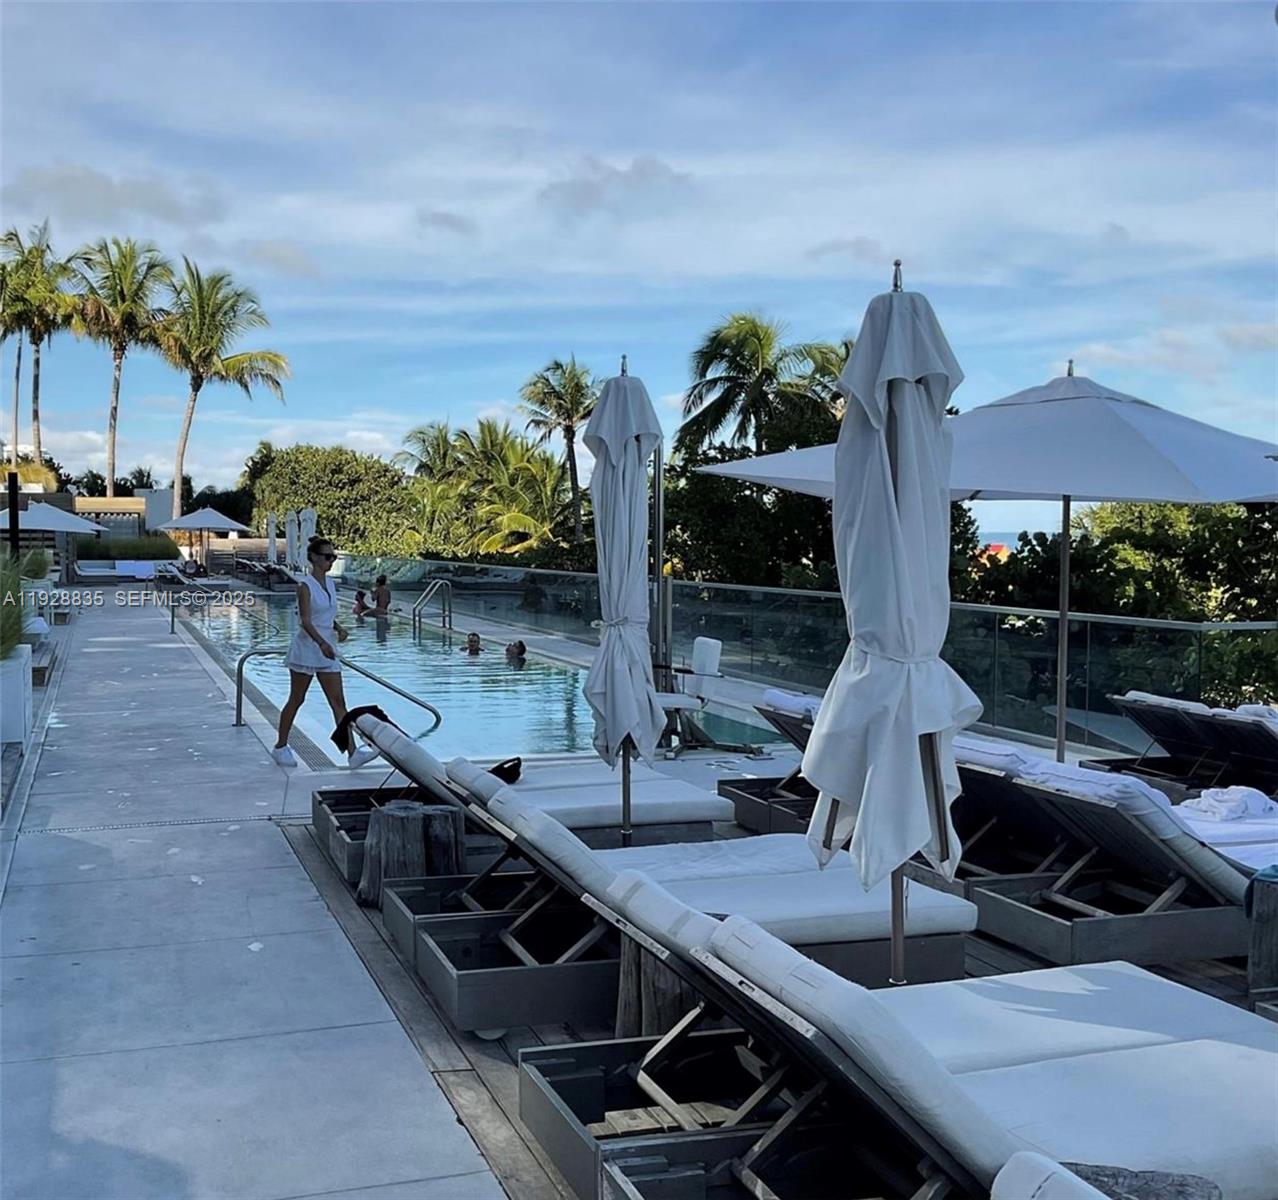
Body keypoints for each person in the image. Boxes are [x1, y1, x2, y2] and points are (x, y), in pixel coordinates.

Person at [273, 536, 379, 769]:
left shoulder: (330, 584)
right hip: (308, 649)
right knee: (297, 699)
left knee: (338, 702)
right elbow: (306, 621)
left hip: (327, 648)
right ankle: (280, 746)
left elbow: (326, 616)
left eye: (333, 557)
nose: (331, 561)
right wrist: (322, 643)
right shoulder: (305, 586)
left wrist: (338, 628)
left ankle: (352, 753)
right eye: (327, 557)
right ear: (313, 557)